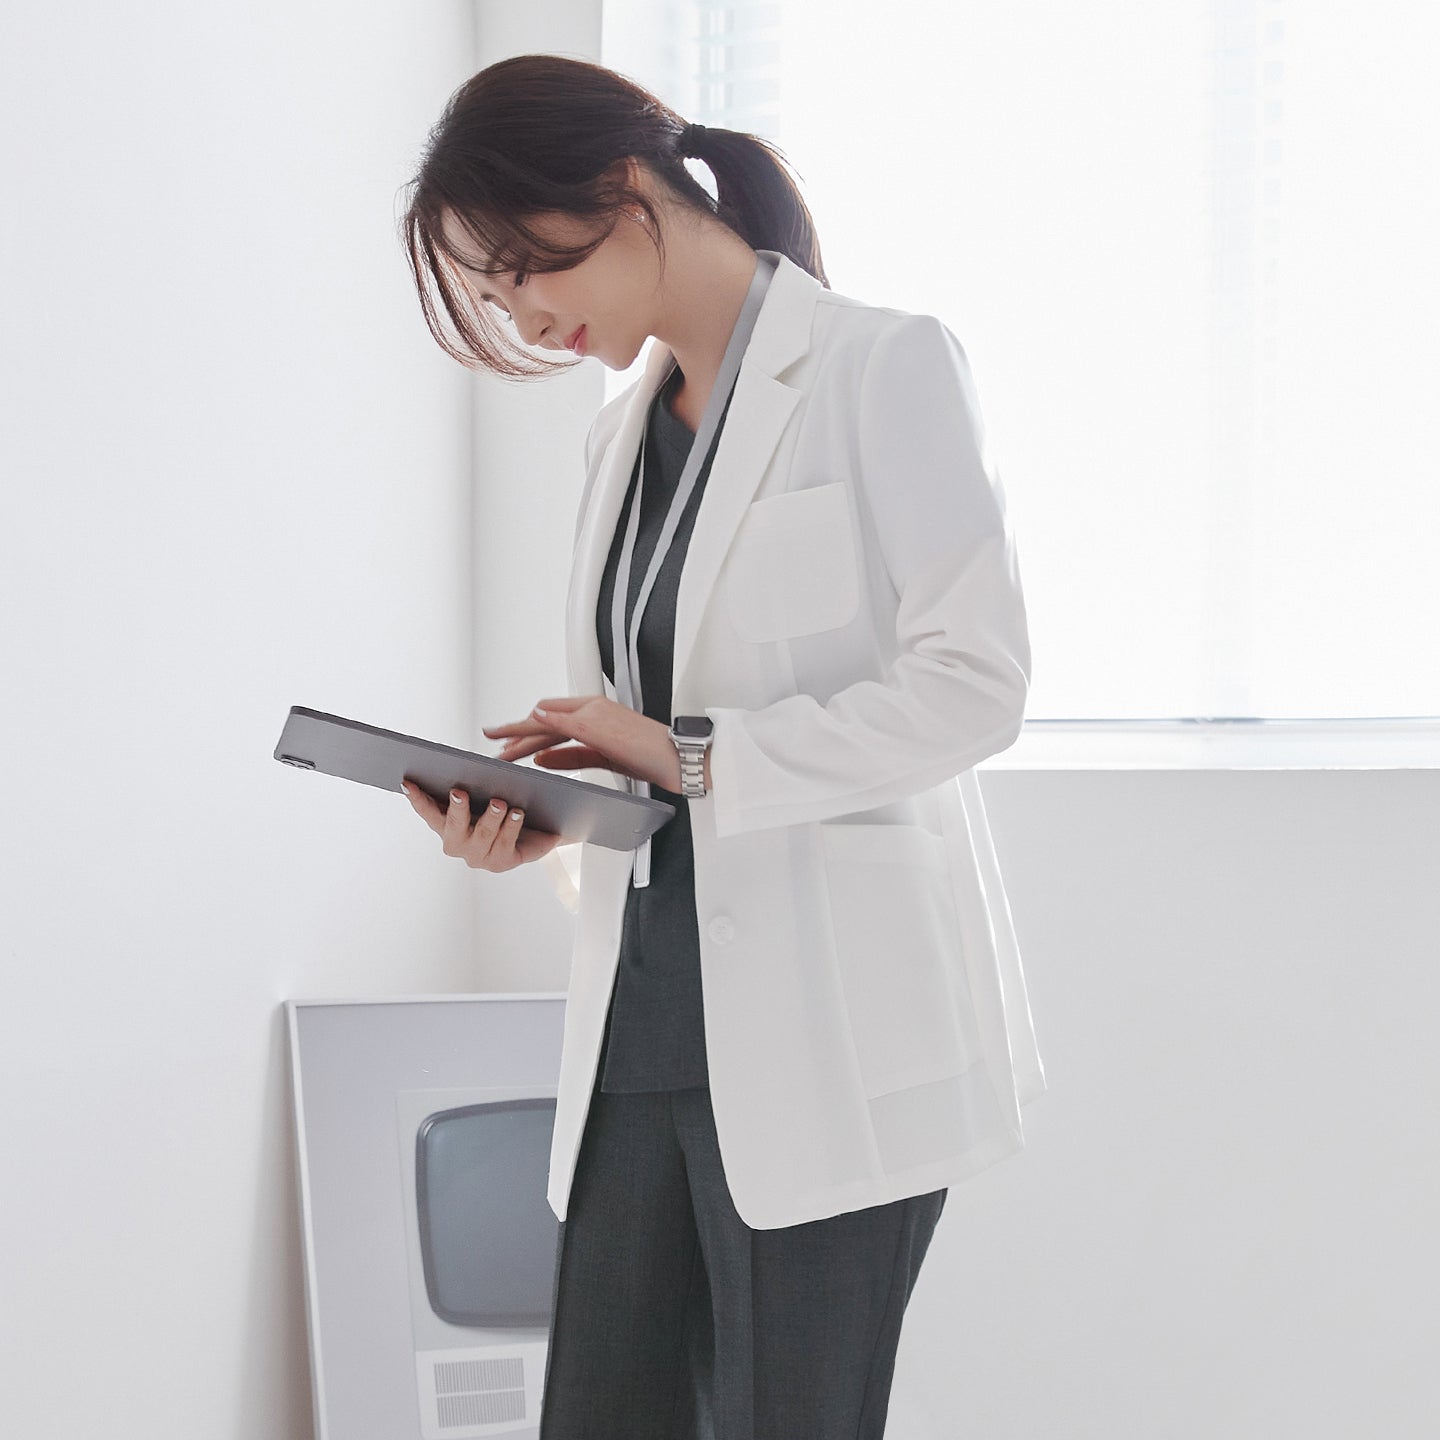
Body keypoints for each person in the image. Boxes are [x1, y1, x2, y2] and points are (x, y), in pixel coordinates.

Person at [396, 52, 1045, 1440]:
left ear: (628, 197)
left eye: (524, 266)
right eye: (494, 288)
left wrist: (691, 755)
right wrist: (544, 822)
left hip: (829, 1038)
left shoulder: (882, 367)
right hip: (636, 1035)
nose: (523, 311)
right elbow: (654, 761)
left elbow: (976, 687)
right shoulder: (616, 444)